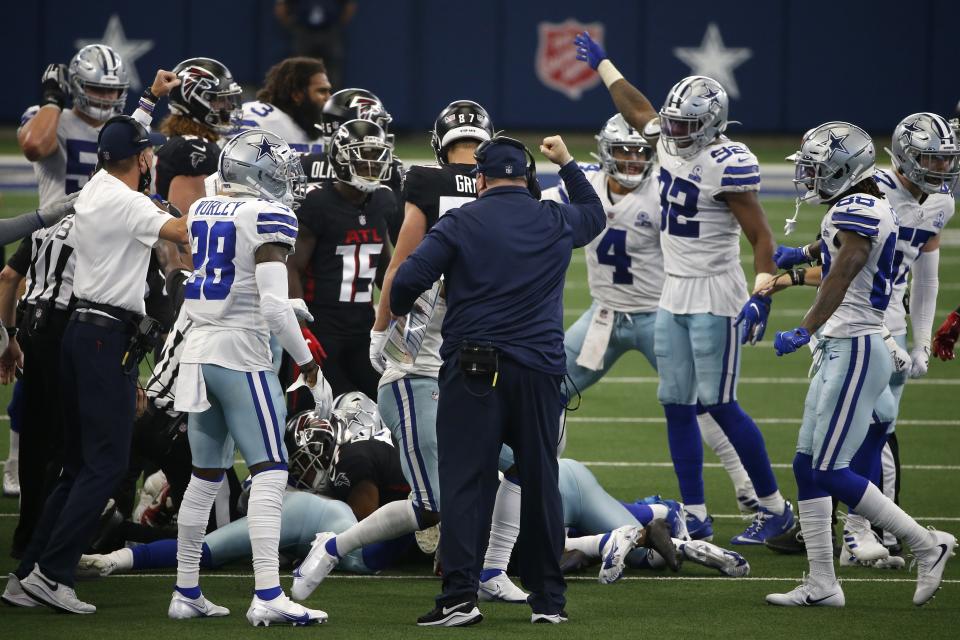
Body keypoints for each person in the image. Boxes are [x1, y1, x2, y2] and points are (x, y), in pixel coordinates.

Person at [289, 101, 533, 607]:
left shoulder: (423, 181)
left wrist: (381, 328)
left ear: (440, 140)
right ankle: (332, 546)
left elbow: (400, 269)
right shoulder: (510, 185)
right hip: (427, 360)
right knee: (435, 501)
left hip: (461, 354)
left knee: (520, 460)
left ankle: (492, 569)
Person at [573, 32, 793, 544]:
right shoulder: (668, 137)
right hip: (671, 291)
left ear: (712, 125)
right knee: (676, 403)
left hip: (716, 292)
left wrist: (760, 293)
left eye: (685, 124)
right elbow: (639, 110)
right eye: (672, 122)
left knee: (720, 404)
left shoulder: (728, 160)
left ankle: (775, 509)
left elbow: (761, 234)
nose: (672, 130)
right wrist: (606, 65)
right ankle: (694, 512)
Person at [388, 134, 604, 626]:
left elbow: (405, 282)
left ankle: (461, 597)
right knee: (541, 481)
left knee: (467, 483)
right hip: (540, 373)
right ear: (528, 179)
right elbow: (593, 212)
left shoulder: (460, 221)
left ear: (480, 179)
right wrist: (567, 163)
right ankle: (548, 600)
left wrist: (412, 309)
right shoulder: (553, 218)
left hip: (474, 373)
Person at [761, 121, 955, 608]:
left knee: (828, 468)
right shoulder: (865, 201)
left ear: (841, 167)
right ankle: (823, 583)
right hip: (845, 343)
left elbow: (845, 269)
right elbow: (839, 256)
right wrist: (799, 260)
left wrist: (804, 327)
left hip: (855, 343)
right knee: (806, 466)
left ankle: (926, 543)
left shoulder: (861, 205)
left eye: (815, 166)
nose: (808, 174)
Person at [10, 109, 189, 615]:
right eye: (148, 151)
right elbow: (180, 232)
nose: (153, 158)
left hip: (82, 333)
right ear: (139, 158)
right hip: (104, 339)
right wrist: (223, 208)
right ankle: (52, 572)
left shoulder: (96, 189)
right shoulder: (126, 200)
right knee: (104, 464)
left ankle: (29, 575)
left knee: (78, 462)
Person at [540, 113, 760, 519]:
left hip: (657, 315)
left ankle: (746, 486)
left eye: (638, 151)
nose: (629, 159)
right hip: (603, 315)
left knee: (699, 402)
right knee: (548, 388)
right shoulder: (583, 184)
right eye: (621, 150)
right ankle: (541, 478)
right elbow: (535, 209)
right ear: (604, 151)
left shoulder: (664, 191)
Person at [171, 128, 328, 626]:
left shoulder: (202, 208)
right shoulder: (268, 215)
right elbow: (274, 309)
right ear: (257, 175)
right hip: (241, 353)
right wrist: (306, 362)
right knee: (271, 472)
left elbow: (228, 278)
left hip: (199, 351)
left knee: (203, 477)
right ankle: (266, 594)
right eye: (279, 175)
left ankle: (185, 590)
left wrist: (284, 307)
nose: (287, 185)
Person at [286, 119, 394, 400]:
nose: (372, 165)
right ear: (342, 160)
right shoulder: (316, 203)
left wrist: (402, 313)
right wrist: (301, 330)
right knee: (314, 415)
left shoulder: (383, 201)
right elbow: (291, 268)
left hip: (363, 330)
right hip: (322, 331)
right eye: (364, 158)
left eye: (377, 157)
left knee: (384, 406)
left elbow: (385, 269)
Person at [236, 57, 332, 154]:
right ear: (297, 95)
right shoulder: (259, 118)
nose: (329, 98)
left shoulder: (317, 127)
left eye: (329, 91)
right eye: (322, 91)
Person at [274, 0, 356, 88]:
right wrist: (293, 26)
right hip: (304, 32)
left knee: (333, 70)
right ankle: (302, 99)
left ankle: (333, 99)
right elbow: (281, 5)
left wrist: (338, 25)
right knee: (300, 68)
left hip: (330, 31)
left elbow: (350, 5)